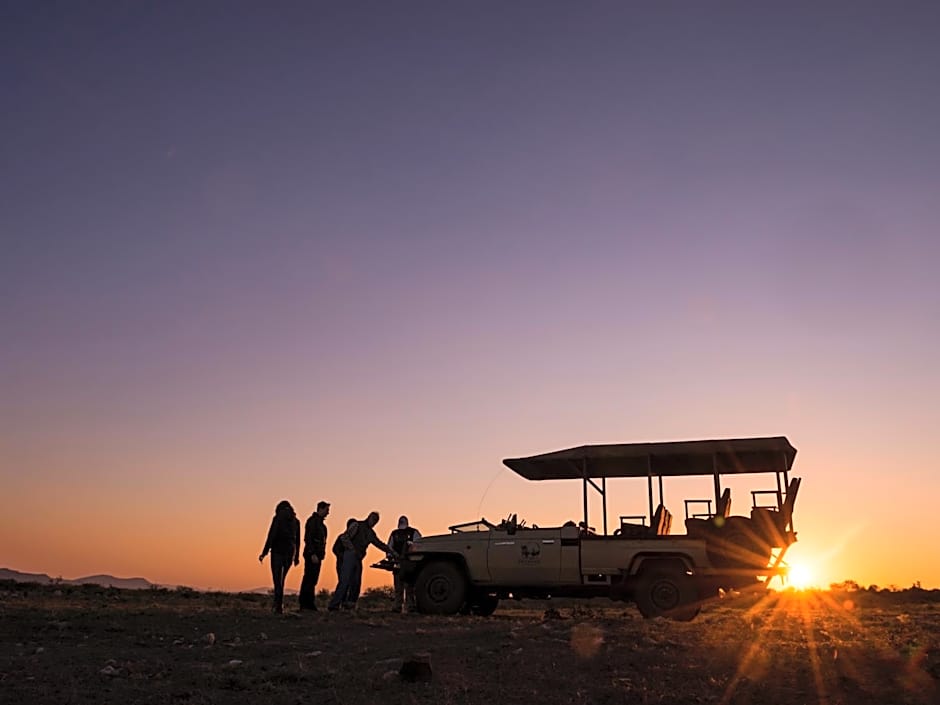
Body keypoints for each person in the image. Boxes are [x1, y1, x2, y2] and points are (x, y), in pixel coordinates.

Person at [327, 511, 392, 612]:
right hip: (350, 556)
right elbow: (344, 537)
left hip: (358, 558)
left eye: (376, 521)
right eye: (374, 519)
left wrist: (391, 551)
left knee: (356, 582)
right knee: (345, 581)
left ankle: (350, 605)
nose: (374, 522)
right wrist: (351, 549)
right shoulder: (357, 525)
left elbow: (379, 544)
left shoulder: (371, 533)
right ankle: (334, 605)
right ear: (369, 517)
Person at [258, 500, 300, 614]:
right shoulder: (296, 521)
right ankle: (279, 604)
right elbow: (297, 540)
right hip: (290, 552)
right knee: (282, 579)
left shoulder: (277, 519)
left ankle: (278, 605)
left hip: (277, 551)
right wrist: (296, 557)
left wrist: (264, 552)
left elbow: (271, 535)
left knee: (277, 580)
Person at [298, 500, 330, 611]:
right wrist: (312, 553)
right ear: (320, 509)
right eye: (326, 510)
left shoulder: (321, 525)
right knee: (309, 578)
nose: (328, 513)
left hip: (318, 555)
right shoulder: (312, 522)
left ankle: (309, 603)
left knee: (313, 579)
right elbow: (308, 538)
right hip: (312, 555)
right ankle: (305, 603)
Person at [387, 515, 421, 613]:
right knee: (400, 586)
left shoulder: (413, 532)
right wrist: (392, 556)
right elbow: (389, 547)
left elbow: (419, 545)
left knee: (408, 586)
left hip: (409, 563)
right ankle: (401, 606)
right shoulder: (395, 533)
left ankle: (409, 606)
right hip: (399, 563)